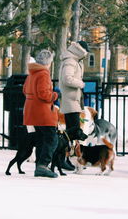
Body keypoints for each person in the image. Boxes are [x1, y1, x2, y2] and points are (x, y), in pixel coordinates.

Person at [23, 49, 59, 178]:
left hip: (32, 111)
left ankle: (39, 165)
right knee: (52, 139)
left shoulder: (31, 73)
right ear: (48, 62)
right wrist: (55, 95)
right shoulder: (44, 73)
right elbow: (44, 94)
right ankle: (43, 165)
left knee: (41, 140)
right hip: (43, 112)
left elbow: (25, 90)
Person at [58, 40, 90, 169]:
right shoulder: (70, 61)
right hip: (70, 101)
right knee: (72, 133)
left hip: (73, 100)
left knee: (72, 133)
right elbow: (67, 79)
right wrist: (81, 84)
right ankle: (63, 159)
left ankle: (66, 159)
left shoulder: (73, 60)